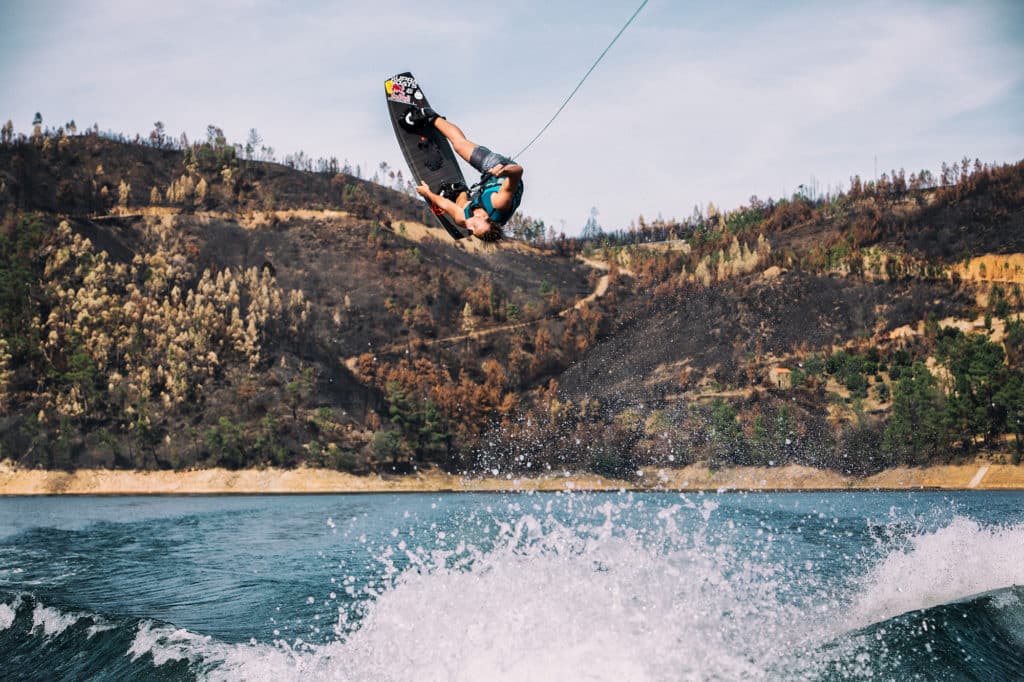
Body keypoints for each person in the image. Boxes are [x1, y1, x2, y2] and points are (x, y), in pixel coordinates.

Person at [402, 107, 524, 242]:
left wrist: (428, 193)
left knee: (459, 214)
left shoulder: (465, 220)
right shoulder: (499, 203)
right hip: (500, 169)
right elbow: (518, 172)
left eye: (472, 231)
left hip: (484, 188)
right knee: (460, 146)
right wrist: (504, 170)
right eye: (475, 226)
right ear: (486, 218)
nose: (470, 228)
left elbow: (446, 205)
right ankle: (430, 116)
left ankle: (460, 190)